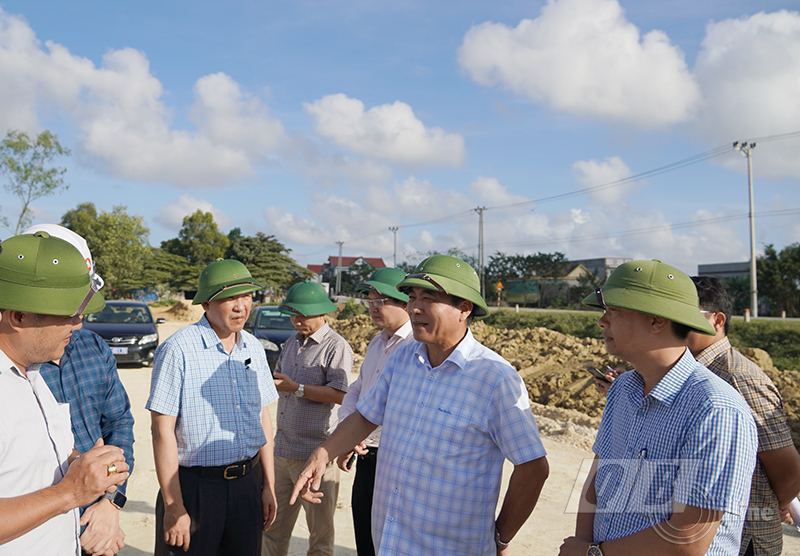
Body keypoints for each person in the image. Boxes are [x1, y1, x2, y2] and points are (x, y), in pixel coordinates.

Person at [292, 255, 550, 556]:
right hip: (390, 541)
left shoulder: (495, 379)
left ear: (464, 308)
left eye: (429, 298)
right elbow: (365, 416)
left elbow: (533, 467)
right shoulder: (404, 359)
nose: (414, 307)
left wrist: (501, 538)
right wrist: (323, 454)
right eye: (412, 297)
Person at [560, 259, 758, 556]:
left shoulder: (715, 409)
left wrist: (594, 553)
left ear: (657, 321)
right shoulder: (623, 390)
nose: (602, 321)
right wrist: (586, 545)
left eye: (614, 310)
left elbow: (690, 538)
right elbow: (597, 483)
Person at [0, 231, 129, 555]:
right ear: (18, 316)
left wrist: (93, 471)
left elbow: (40, 460)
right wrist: (70, 494)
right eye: (68, 314)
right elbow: (67, 490)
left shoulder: (29, 372)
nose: (79, 325)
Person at [147, 259, 278, 556]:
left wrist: (268, 484)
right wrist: (173, 506)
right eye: (230, 297)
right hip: (195, 490)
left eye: (246, 296)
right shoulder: (178, 350)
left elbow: (263, 417)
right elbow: (161, 430)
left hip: (248, 485)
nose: (241, 306)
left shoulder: (254, 349)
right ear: (206, 302)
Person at [687, 276, 800, 556]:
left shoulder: (737, 376)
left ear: (717, 320)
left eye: (686, 314)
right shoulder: (695, 371)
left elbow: (788, 471)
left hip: (744, 539)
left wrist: (775, 504)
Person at [262, 280, 352, 556]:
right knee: (271, 528)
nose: (298, 320)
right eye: (293, 314)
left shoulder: (336, 347)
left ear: (322, 312)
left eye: (304, 315)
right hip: (283, 450)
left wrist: (297, 389)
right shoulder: (291, 342)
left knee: (320, 536)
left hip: (316, 455)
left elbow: (340, 394)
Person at [336, 268, 414, 556]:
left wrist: (358, 433)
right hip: (367, 453)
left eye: (380, 300)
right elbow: (359, 389)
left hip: (394, 457)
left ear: (404, 302)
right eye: (369, 301)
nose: (373, 307)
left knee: (392, 540)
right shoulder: (377, 342)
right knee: (365, 534)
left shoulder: (416, 347)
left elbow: (397, 406)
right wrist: (348, 433)